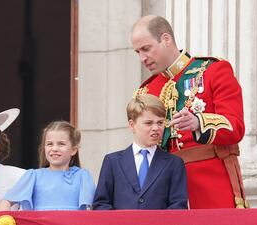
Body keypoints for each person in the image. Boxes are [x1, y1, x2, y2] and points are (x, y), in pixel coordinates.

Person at [131, 15, 247, 208]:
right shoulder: (146, 91)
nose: (142, 58)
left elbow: (235, 126)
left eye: (146, 48)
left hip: (210, 184)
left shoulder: (213, 71)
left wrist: (199, 123)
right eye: (137, 52)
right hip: (164, 189)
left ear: (166, 39)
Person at [93, 94, 188, 210]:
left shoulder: (174, 163)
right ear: (132, 125)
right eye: (148, 123)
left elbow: (178, 205)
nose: (156, 128)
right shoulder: (112, 162)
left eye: (160, 123)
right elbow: (101, 203)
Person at [0, 121, 95, 211]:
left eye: (61, 144)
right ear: (44, 148)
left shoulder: (83, 176)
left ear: (73, 150)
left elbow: (93, 208)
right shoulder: (33, 176)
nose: (54, 148)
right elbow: (5, 201)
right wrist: (5, 218)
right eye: (49, 144)